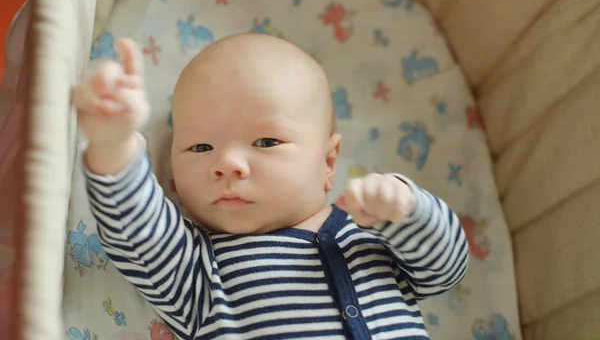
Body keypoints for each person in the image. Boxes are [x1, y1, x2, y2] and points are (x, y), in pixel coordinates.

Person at [71, 33, 468, 339]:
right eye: (201, 146)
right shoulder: (200, 270)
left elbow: (446, 270)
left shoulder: (370, 236)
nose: (227, 163)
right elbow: (137, 232)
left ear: (329, 162)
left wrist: (409, 210)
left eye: (266, 142)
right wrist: (114, 145)